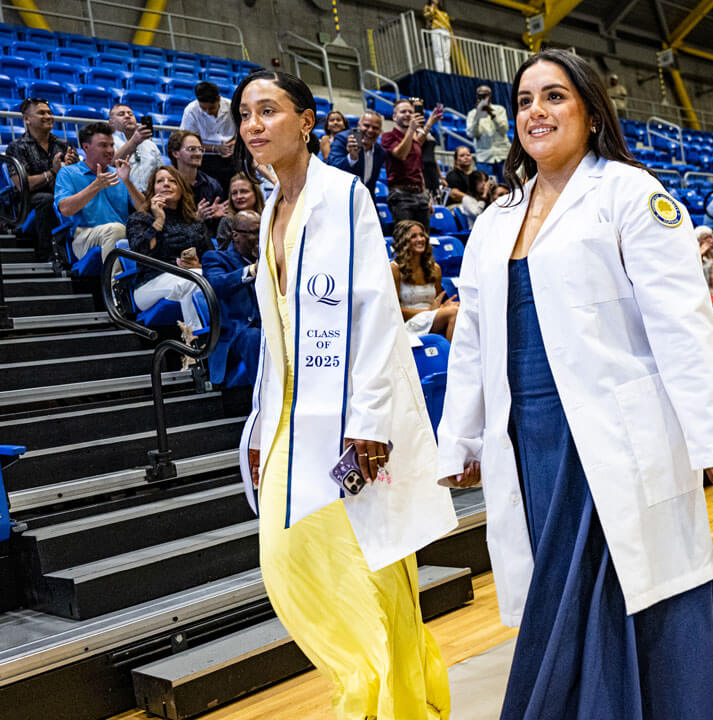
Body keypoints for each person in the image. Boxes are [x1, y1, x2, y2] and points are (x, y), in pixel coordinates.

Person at [436, 49, 713, 719]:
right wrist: (460, 438)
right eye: (524, 100)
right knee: (560, 598)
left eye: (553, 96)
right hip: (530, 443)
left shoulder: (631, 194)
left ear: (588, 109)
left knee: (628, 594)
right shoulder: (495, 220)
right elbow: (472, 342)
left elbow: (683, 324)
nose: (535, 112)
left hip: (612, 438)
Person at [234, 69, 455, 720]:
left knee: (367, 573)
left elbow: (374, 314)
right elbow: (277, 337)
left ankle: (384, 704)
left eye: (268, 111)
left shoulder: (343, 195)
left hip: (352, 423)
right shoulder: (272, 205)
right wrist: (258, 431)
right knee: (288, 564)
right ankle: (381, 694)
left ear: (306, 122)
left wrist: (370, 425)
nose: (253, 124)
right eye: (246, 113)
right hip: (287, 425)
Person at [125, 166, 213, 332]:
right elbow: (141, 254)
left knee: (199, 280)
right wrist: (158, 220)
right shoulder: (140, 219)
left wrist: (198, 265)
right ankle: (197, 341)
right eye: (160, 181)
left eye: (172, 181)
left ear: (181, 189)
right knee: (196, 280)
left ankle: (197, 342)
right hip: (149, 285)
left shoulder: (194, 222)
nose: (166, 184)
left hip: (188, 278)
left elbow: (210, 257)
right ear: (153, 190)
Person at [55, 122, 145, 264]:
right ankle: (115, 284)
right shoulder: (68, 172)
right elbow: (65, 210)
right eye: (103, 145)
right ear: (86, 147)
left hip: (120, 233)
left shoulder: (120, 173)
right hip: (84, 236)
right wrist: (95, 186)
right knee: (116, 230)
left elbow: (144, 210)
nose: (110, 150)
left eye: (111, 145)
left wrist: (128, 182)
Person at [8, 98, 75, 263]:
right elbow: (22, 185)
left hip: (62, 194)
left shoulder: (64, 143)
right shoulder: (16, 147)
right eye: (41, 113)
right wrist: (53, 171)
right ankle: (50, 254)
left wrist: (71, 167)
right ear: (26, 119)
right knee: (47, 200)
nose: (48, 116)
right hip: (29, 201)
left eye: (50, 113)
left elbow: (75, 176)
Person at [202, 209, 263, 383]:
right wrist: (253, 270)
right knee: (253, 337)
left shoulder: (272, 258)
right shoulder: (215, 258)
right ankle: (265, 405)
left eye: (262, 231)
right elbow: (217, 285)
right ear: (236, 235)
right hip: (236, 337)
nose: (260, 237)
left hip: (269, 328)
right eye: (255, 232)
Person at [390, 219, 459, 339]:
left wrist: (443, 307)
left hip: (431, 318)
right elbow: (395, 311)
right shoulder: (394, 269)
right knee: (454, 312)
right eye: (413, 236)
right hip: (407, 323)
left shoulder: (435, 269)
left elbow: (437, 302)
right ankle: (451, 357)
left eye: (422, 235)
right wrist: (430, 312)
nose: (420, 239)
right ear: (403, 241)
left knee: (459, 309)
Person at [380, 99, 440, 227]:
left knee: (423, 237)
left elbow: (418, 169)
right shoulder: (388, 136)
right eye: (403, 112)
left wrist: (425, 196)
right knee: (406, 238)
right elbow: (401, 154)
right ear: (394, 117)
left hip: (420, 194)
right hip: (401, 195)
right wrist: (412, 130)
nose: (407, 114)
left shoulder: (414, 139)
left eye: (410, 112)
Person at [181, 81, 236, 191]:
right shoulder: (191, 111)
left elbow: (243, 130)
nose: (207, 111)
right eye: (204, 108)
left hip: (231, 156)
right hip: (205, 157)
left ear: (219, 99)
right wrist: (215, 149)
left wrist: (234, 143)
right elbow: (187, 140)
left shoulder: (231, 107)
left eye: (211, 108)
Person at [167, 130, 229, 226]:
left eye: (200, 149)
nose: (198, 153)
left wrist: (214, 216)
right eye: (192, 149)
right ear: (175, 153)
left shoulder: (212, 184)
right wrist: (196, 218)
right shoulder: (166, 184)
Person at [326, 110, 385, 195]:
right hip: (340, 196)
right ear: (358, 126)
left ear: (380, 131)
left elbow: (370, 186)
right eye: (366, 125)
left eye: (375, 128)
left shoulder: (380, 152)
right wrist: (351, 158)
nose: (370, 130)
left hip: (362, 200)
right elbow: (332, 169)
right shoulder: (342, 139)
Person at [109, 103, 164, 193]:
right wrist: (133, 142)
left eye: (130, 114)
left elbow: (160, 170)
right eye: (121, 114)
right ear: (111, 122)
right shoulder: (108, 142)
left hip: (147, 197)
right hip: (120, 196)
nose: (127, 116)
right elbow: (110, 163)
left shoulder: (150, 145)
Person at [465, 85, 511, 180]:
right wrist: (477, 117)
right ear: (477, 96)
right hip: (484, 158)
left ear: (490, 95)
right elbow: (471, 134)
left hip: (503, 155)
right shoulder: (472, 114)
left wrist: (491, 114)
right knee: (487, 187)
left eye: (485, 95)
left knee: (508, 185)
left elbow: (504, 130)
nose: (483, 98)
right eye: (480, 95)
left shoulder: (499, 110)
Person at [216, 173, 265, 249]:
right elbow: (224, 253)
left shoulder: (267, 217)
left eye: (244, 191)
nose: (238, 197)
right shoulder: (227, 221)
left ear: (256, 193)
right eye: (234, 193)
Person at [445, 146, 494, 220]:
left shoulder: (477, 175)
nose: (466, 157)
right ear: (456, 160)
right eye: (462, 156)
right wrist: (473, 200)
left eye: (468, 155)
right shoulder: (452, 175)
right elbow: (454, 194)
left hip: (477, 203)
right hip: (459, 207)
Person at [423, 0, 454, 73]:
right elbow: (428, 16)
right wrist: (432, 7)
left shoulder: (443, 12)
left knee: (446, 54)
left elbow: (448, 25)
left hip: (446, 32)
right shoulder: (427, 7)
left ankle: (447, 73)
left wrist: (452, 36)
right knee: (439, 53)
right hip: (437, 30)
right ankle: (440, 71)